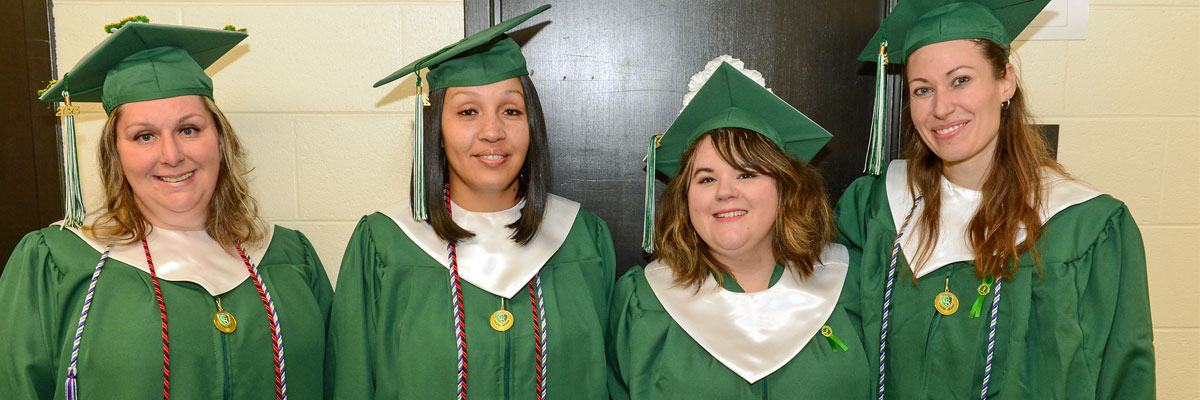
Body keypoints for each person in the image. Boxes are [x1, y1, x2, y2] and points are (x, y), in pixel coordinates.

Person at [0, 19, 333, 400]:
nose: (172, 155)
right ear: (116, 154)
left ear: (220, 140)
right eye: (144, 136)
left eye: (189, 129)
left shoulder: (290, 257)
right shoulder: (57, 261)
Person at [837, 1, 1155, 398]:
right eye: (923, 89)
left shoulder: (1086, 227)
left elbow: (1124, 375)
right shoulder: (876, 207)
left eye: (960, 80)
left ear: (1005, 81)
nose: (941, 108)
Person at [326, 5, 615, 399]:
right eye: (467, 112)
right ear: (436, 130)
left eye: (511, 110)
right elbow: (352, 385)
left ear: (531, 124)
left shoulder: (583, 238)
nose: (492, 131)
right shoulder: (384, 245)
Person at [607, 56, 873, 399]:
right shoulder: (642, 303)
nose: (725, 191)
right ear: (685, 199)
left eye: (746, 173)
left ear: (784, 186)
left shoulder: (852, 284)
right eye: (706, 178)